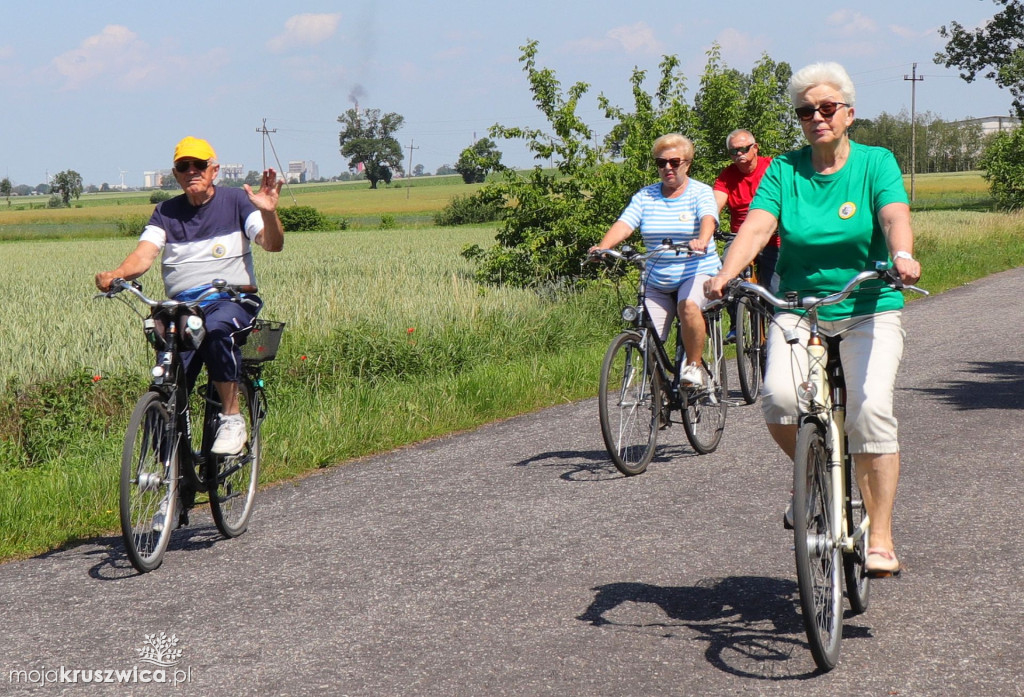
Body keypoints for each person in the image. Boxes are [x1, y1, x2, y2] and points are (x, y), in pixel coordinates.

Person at [704, 63, 922, 577]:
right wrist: (725, 273)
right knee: (778, 400)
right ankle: (814, 476)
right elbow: (758, 228)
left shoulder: (876, 162)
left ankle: (882, 537)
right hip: (797, 306)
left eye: (827, 108)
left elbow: (894, 215)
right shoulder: (785, 169)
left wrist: (903, 255)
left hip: (867, 304)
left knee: (869, 412)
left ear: (849, 113)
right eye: (807, 111)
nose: (817, 117)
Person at [96, 136, 283, 460]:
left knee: (215, 330)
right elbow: (144, 255)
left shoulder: (237, 202)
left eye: (199, 165)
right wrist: (118, 274)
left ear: (214, 170)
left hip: (232, 300)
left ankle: (231, 418)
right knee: (168, 375)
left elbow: (272, 243)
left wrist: (267, 212)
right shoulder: (166, 212)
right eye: (184, 166)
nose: (192, 171)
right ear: (176, 172)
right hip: (183, 307)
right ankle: (169, 479)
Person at [592, 133, 720, 387]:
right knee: (646, 335)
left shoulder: (700, 192)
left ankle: (694, 366)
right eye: (661, 163)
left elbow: (708, 217)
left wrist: (702, 240)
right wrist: (603, 247)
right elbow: (625, 224)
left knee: (688, 307)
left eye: (674, 162)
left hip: (695, 271)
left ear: (688, 163)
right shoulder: (645, 196)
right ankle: (658, 396)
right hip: (657, 278)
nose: (668, 168)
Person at [713, 129, 776, 342]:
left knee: (775, 288)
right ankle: (735, 323)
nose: (739, 155)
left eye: (743, 149)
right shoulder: (727, 176)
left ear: (755, 148)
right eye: (733, 151)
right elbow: (715, 205)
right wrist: (708, 224)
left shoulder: (773, 167)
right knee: (727, 270)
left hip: (772, 235)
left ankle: (777, 333)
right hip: (740, 236)